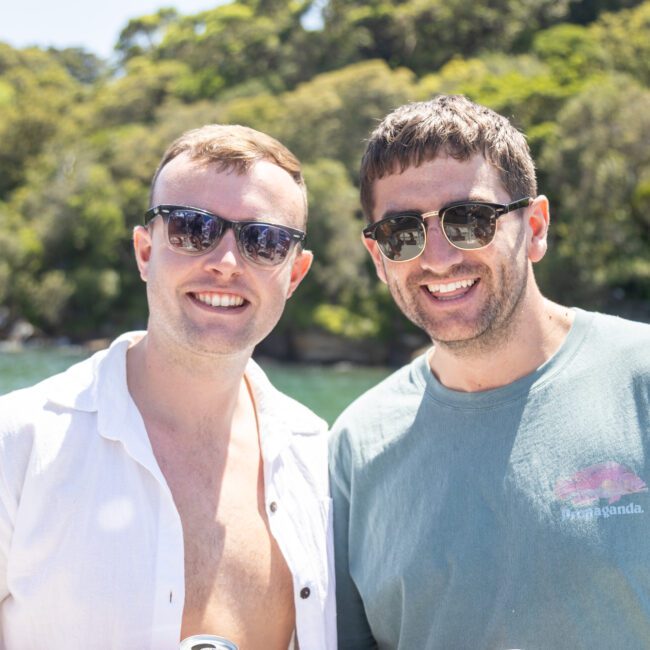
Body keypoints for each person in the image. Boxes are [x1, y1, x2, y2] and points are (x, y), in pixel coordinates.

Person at [329, 94, 650, 649]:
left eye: (470, 220)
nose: (438, 258)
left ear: (536, 226)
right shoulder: (355, 447)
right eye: (403, 232)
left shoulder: (640, 381)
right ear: (378, 257)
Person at [0, 125, 336, 650]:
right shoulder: (18, 443)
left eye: (262, 240)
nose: (225, 263)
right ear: (145, 251)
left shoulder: (319, 459)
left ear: (294, 275)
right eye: (190, 229)